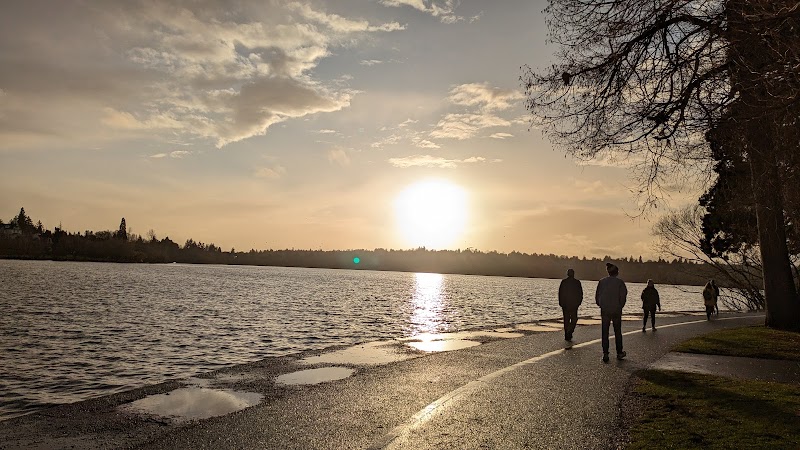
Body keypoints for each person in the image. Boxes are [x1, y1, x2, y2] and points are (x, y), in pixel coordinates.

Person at [596, 262, 627, 362]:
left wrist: (601, 304)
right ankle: (619, 352)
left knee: (605, 332)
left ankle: (605, 353)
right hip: (616, 310)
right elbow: (623, 297)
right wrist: (620, 306)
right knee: (617, 331)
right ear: (616, 272)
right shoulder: (620, 283)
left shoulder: (602, 282)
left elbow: (597, 296)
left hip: (605, 309)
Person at [558, 268, 583, 341]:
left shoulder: (564, 282)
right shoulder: (577, 282)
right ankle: (570, 331)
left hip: (566, 304)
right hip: (573, 304)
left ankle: (567, 333)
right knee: (574, 319)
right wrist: (579, 302)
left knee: (567, 319)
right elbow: (580, 294)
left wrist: (561, 302)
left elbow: (560, 293)